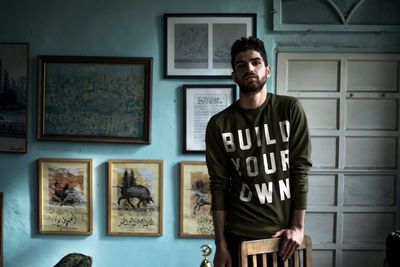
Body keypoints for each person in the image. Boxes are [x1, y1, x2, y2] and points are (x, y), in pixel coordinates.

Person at [205, 36, 312, 267]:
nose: (249, 68)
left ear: (268, 70)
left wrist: (297, 226)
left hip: (282, 237)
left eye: (256, 62)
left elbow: (300, 170)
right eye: (241, 65)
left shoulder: (290, 109)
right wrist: (220, 244)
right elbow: (218, 185)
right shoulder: (219, 124)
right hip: (238, 236)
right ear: (233, 75)